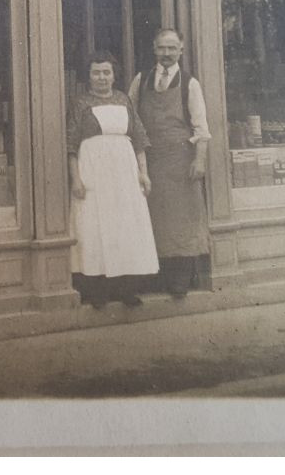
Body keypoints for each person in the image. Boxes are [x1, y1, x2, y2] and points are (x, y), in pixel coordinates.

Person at [67, 51, 159, 308]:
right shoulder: (80, 103)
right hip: (93, 172)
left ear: (114, 75)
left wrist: (143, 173)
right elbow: (71, 144)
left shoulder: (124, 100)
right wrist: (76, 179)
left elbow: (139, 138)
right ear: (89, 76)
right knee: (95, 228)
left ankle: (126, 290)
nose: (101, 77)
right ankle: (98, 292)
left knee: (125, 228)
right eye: (96, 73)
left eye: (106, 72)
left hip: (124, 174)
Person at [129, 29, 212, 299]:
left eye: (172, 48)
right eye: (162, 48)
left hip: (179, 162)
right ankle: (153, 277)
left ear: (181, 50)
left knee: (181, 220)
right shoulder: (141, 80)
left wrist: (199, 161)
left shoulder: (190, 83)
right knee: (151, 219)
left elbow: (201, 127)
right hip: (148, 160)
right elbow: (129, 118)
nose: (166, 54)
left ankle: (180, 281)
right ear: (154, 48)